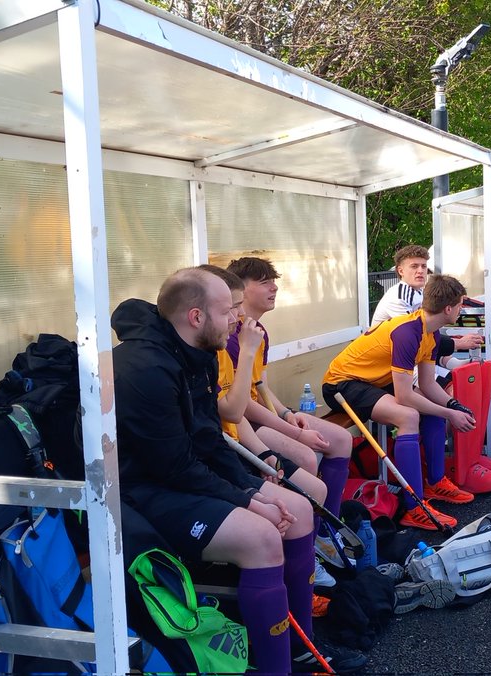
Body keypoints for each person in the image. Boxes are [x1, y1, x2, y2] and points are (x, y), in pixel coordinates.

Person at [111, 267, 365, 674]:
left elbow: (210, 439)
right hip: (139, 494)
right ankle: (273, 668)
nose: (236, 318)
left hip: (181, 476)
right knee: (261, 536)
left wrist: (256, 486)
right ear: (196, 317)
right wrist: (247, 498)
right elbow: (173, 467)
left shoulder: (199, 354)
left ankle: (299, 650)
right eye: (228, 309)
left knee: (299, 507)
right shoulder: (144, 370)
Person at [322, 275, 478, 530]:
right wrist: (450, 415)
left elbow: (428, 385)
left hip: (370, 380)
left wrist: (453, 406)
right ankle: (414, 508)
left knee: (430, 404)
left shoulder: (432, 333)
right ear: (449, 308)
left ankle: (435, 483)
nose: (461, 310)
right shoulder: (408, 332)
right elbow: (405, 397)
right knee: (409, 416)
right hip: (342, 383)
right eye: (461, 305)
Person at [223, 257, 353, 521]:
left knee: (342, 439)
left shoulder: (259, 331)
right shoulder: (229, 337)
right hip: (245, 421)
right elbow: (241, 404)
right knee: (306, 456)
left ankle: (332, 523)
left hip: (262, 414)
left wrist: (285, 414)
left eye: (274, 281)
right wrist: (293, 432)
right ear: (240, 289)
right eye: (264, 282)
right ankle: (308, 529)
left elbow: (262, 387)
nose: (274, 288)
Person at [370, 244, 482, 362]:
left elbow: (429, 332)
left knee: (454, 376)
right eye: (414, 266)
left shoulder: (421, 292)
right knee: (443, 379)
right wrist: (459, 343)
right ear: (400, 270)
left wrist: (451, 362)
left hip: (403, 357)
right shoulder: (399, 297)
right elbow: (414, 336)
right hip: (383, 362)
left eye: (424, 266)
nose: (420, 271)